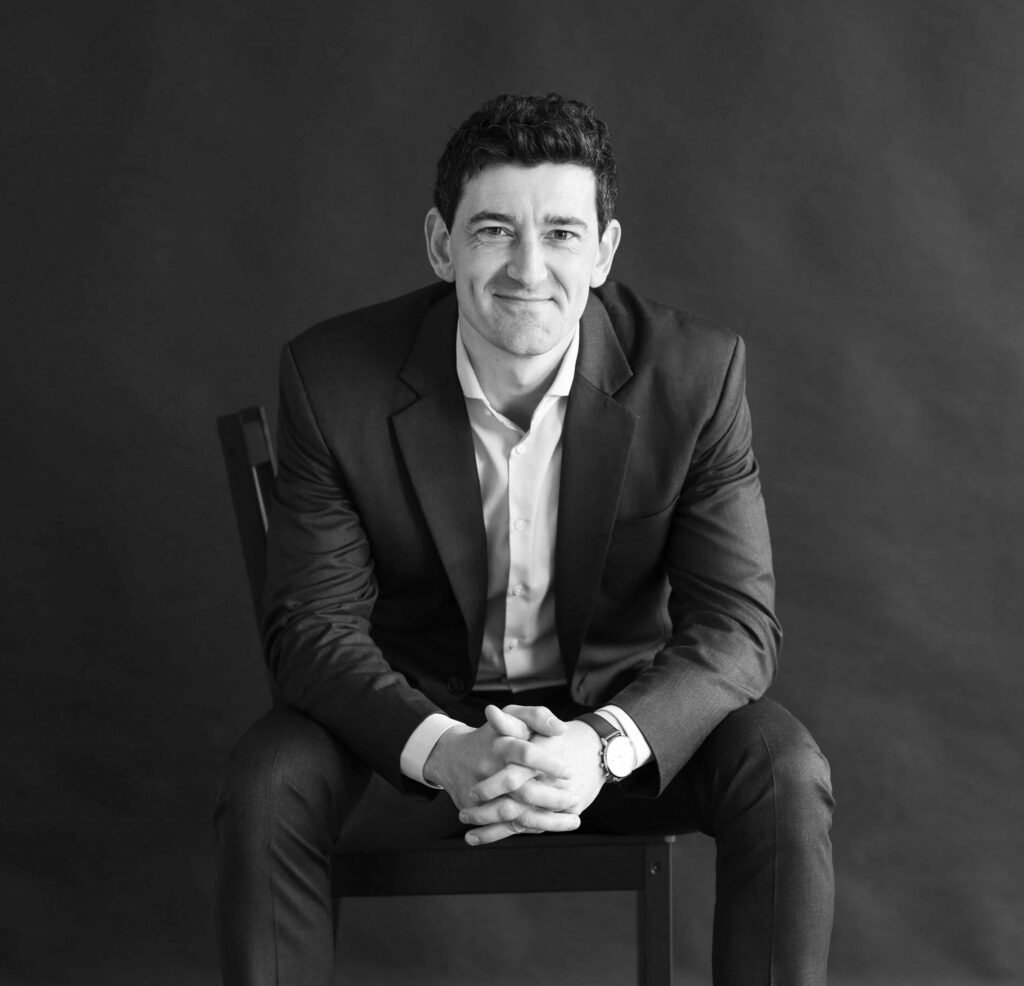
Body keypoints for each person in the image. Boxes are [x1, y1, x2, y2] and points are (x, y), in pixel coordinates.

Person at [215, 92, 835, 985]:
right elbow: (310, 632)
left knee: (783, 767)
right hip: (406, 719)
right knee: (266, 782)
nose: (528, 267)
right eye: (495, 230)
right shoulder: (332, 378)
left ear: (605, 251)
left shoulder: (696, 374)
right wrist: (446, 749)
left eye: (562, 234)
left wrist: (600, 745)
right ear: (443, 243)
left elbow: (737, 626)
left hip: (612, 725)